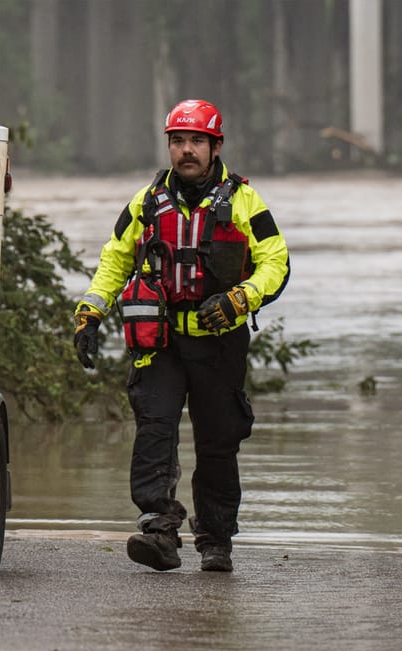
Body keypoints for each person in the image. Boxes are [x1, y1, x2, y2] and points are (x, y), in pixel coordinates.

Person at [73, 99, 290, 572]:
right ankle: (159, 530)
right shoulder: (146, 203)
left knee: (217, 441)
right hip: (161, 340)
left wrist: (242, 297)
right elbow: (115, 259)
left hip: (219, 341)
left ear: (216, 146)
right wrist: (91, 312)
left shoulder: (246, 202)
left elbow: (277, 262)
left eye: (196, 142)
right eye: (177, 142)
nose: (186, 151)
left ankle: (215, 540)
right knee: (156, 428)